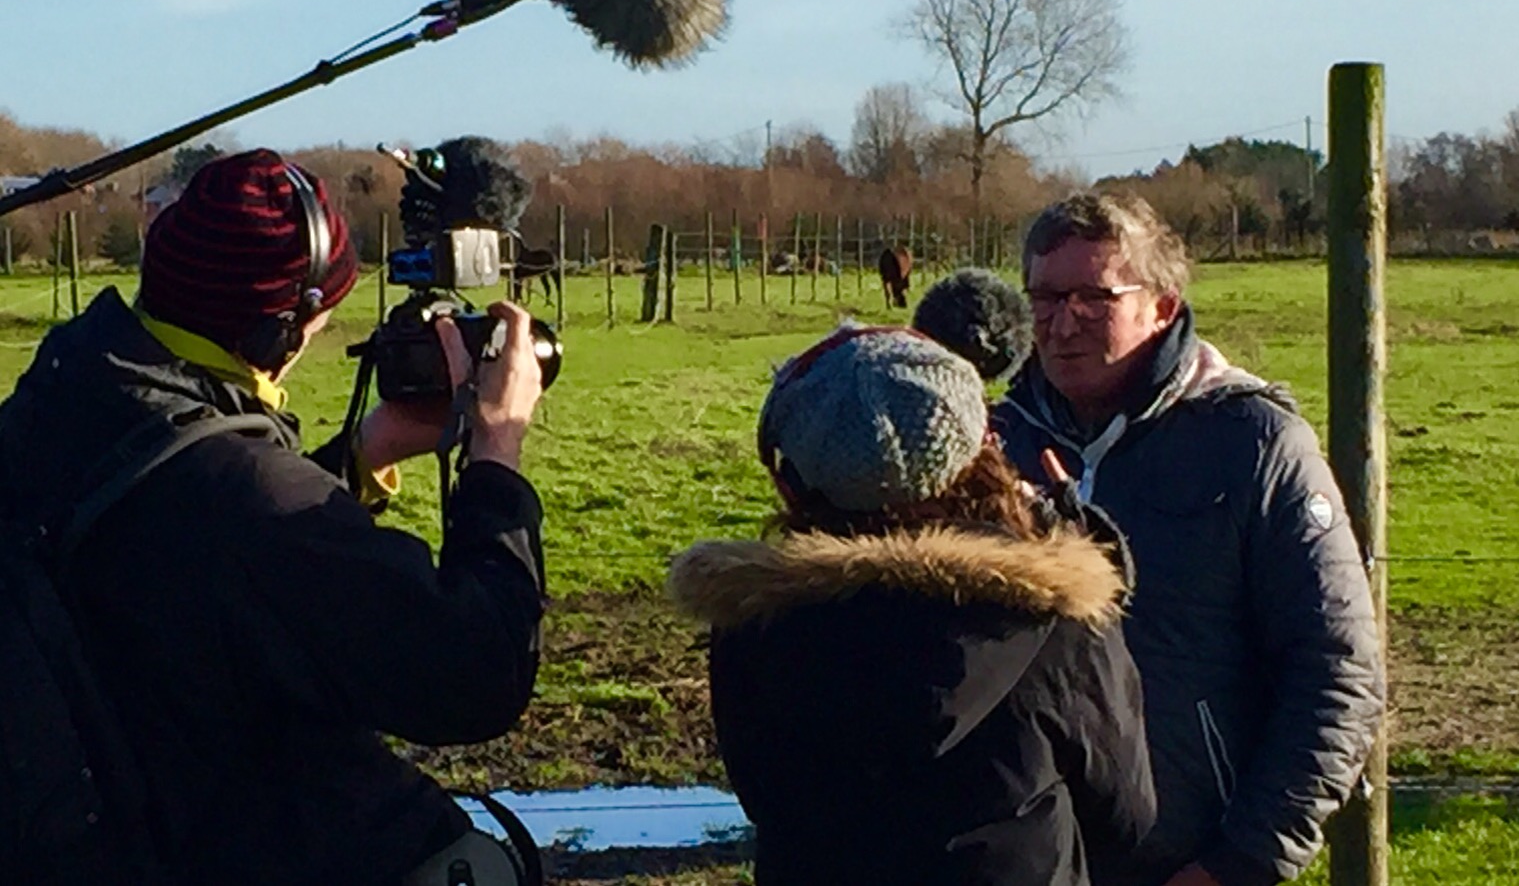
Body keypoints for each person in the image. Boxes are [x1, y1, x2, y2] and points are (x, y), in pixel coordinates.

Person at [0, 150, 545, 885]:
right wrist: (495, 456)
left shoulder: (68, 396)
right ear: (276, 331)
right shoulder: (241, 498)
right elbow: (475, 675)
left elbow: (189, 566)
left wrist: (366, 451)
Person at [668, 325, 1156, 886]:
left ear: (794, 481)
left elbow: (761, 795)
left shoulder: (754, 624)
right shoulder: (1053, 618)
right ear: (983, 452)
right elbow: (1126, 818)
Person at [992, 193, 1384, 886]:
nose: (1061, 323)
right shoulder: (997, 443)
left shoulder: (1252, 444)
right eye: (1045, 297)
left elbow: (1335, 668)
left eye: (1093, 296)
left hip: (1186, 859)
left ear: (1163, 305)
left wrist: (1243, 859)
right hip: (1023, 858)